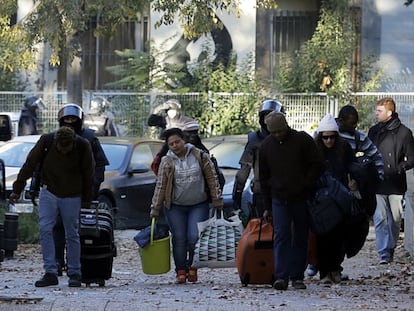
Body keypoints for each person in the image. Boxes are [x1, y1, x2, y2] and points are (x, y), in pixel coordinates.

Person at [9, 126, 95, 287]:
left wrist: (86, 200)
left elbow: (88, 173)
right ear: (55, 142)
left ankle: (75, 272)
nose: (63, 151)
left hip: (72, 194)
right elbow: (30, 164)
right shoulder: (46, 141)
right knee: (45, 228)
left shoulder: (83, 146)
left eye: (67, 148)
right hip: (49, 191)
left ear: (73, 143)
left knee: (72, 233)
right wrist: (17, 189)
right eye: (60, 147)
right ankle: (50, 271)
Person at [259, 111, 324, 290]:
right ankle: (281, 276)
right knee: (281, 236)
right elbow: (263, 178)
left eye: (281, 131)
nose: (279, 135)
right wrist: (267, 206)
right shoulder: (266, 146)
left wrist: (306, 182)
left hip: (301, 197)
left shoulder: (302, 140)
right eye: (274, 132)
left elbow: (317, 164)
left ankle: (297, 276)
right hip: (279, 198)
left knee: (301, 236)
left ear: (286, 126)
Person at [150, 128, 223, 284]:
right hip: (175, 206)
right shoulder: (166, 161)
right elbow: (161, 185)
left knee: (194, 237)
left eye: (177, 142)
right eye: (171, 144)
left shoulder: (199, 155)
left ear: (184, 140)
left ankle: (192, 266)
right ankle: (181, 271)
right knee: (179, 237)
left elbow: (212, 177)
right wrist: (155, 208)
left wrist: (217, 199)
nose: (175, 146)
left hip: (198, 204)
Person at [53, 103, 109, 276]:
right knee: (58, 226)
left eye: (73, 119)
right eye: (66, 119)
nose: (70, 122)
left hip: (83, 189)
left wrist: (93, 186)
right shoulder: (53, 138)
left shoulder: (90, 138)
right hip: (59, 189)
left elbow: (100, 164)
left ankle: (77, 263)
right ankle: (58, 261)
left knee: (80, 228)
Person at [368, 97, 414, 264]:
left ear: (390, 112)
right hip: (378, 182)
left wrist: (400, 167)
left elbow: (412, 158)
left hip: (395, 183)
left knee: (395, 219)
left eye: (379, 111)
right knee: (379, 218)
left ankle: (391, 247)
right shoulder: (374, 131)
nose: (376, 114)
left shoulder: (404, 133)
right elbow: (368, 153)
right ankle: (383, 253)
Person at [313, 113, 358, 285]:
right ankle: (324, 271)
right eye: (326, 138)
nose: (329, 141)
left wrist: (354, 182)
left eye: (332, 137)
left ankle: (335, 269)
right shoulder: (315, 150)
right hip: (322, 200)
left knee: (339, 236)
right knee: (323, 237)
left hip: (340, 197)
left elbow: (352, 167)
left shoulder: (344, 148)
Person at [233, 99, 285, 219]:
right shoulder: (255, 140)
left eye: (273, 116)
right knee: (262, 231)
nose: (269, 120)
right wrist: (238, 193)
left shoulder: (289, 139)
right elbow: (244, 170)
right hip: (262, 192)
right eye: (266, 116)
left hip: (284, 192)